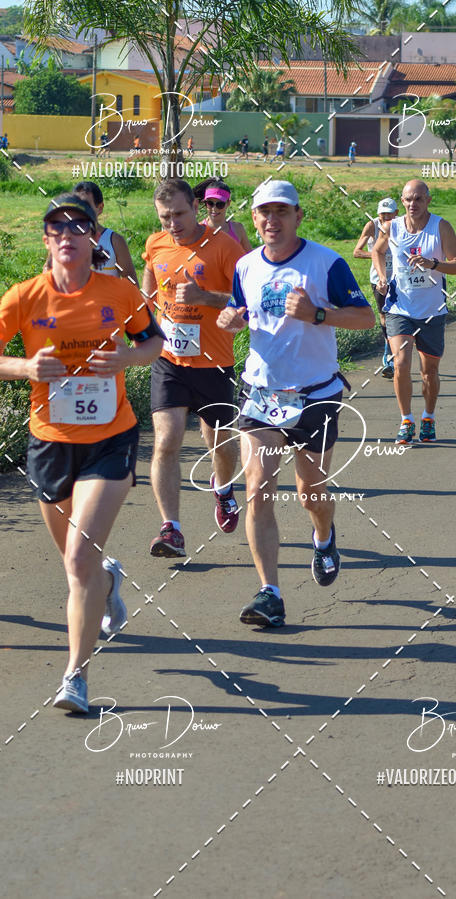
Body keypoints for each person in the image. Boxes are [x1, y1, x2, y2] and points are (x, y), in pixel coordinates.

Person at [0, 194, 163, 712]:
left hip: (110, 439)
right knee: (80, 565)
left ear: (93, 238)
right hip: (50, 442)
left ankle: (76, 676)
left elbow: (154, 343)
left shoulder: (118, 291)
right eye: (57, 227)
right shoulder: (25, 297)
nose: (67, 234)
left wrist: (126, 357)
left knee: (76, 558)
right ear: (47, 240)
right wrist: (25, 369)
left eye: (79, 226)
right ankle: (109, 578)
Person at [216, 180, 374, 627]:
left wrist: (318, 314)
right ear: (254, 219)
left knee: (311, 494)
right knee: (258, 487)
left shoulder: (326, 264)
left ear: (298, 216)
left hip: (315, 396)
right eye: (264, 212)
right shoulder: (246, 265)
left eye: (282, 212)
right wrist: (230, 319)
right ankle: (270, 593)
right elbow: (238, 311)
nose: (272, 220)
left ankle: (324, 537)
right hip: (261, 394)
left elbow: (366, 318)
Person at [142, 178, 245, 556]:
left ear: (197, 207)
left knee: (218, 442)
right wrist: (149, 318)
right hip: (170, 361)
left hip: (214, 364)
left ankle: (222, 487)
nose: (173, 224)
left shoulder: (224, 247)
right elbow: (150, 287)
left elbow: (244, 304)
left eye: (180, 214)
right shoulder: (155, 244)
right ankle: (171, 529)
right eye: (166, 217)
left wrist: (205, 297)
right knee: (166, 441)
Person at [372, 179, 456, 445]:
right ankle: (406, 420)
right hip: (399, 308)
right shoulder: (392, 227)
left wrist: (433, 263)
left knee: (429, 371)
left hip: (432, 311)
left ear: (428, 200)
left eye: (418, 199)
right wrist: (382, 276)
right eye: (408, 199)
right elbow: (377, 252)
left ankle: (428, 416)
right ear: (401, 201)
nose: (413, 204)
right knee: (401, 364)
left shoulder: (441, 227)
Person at [353, 196, 398, 378]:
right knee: (384, 316)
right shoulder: (371, 225)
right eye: (382, 215)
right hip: (378, 278)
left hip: (399, 277)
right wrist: (377, 254)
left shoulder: (403, 224)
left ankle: (397, 354)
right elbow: (356, 252)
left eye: (389, 215)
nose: (386, 219)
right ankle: (389, 356)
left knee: (399, 315)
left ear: (397, 213)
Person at [193, 177, 253, 253]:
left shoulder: (238, 229)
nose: (214, 209)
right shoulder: (198, 231)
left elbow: (250, 257)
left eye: (220, 204)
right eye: (210, 203)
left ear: (228, 203)